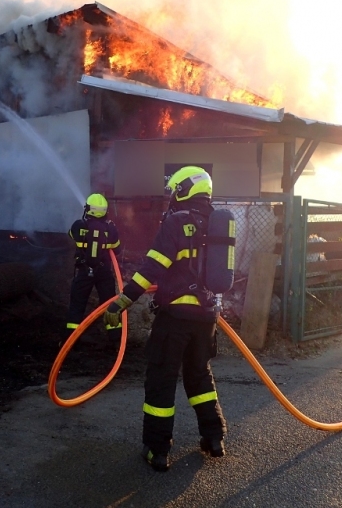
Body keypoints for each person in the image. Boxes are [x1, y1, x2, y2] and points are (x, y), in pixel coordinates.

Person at [103, 166, 227, 472]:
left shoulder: (177, 221)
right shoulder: (218, 223)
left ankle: (157, 450)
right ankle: (214, 438)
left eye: (174, 190)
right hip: (207, 318)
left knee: (161, 379)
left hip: (175, 319)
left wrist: (123, 301)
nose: (172, 196)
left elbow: (152, 268)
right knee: (199, 375)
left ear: (184, 189)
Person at [65, 193, 122, 346]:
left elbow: (71, 235)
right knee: (110, 305)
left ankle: (70, 342)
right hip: (104, 272)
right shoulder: (111, 228)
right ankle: (116, 340)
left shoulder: (78, 225)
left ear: (88, 208)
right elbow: (117, 249)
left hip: (84, 271)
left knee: (77, 305)